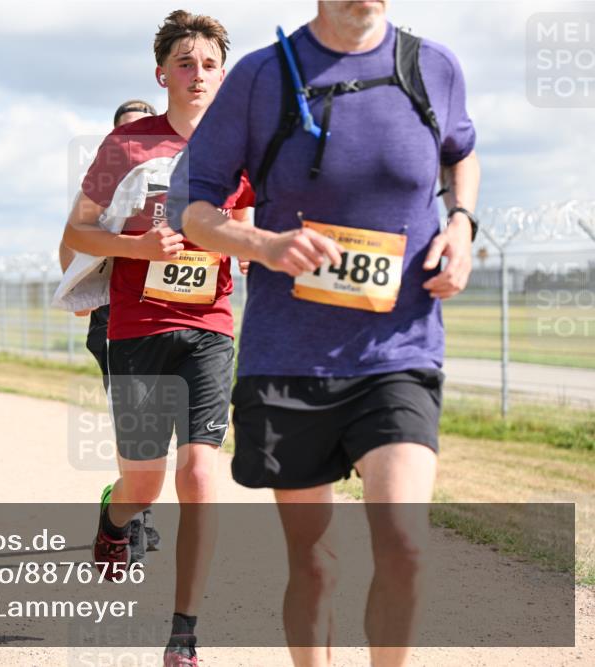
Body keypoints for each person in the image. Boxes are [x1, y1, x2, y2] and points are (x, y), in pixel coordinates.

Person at [167, 2, 480, 665]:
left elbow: (462, 153)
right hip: (291, 354)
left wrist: (461, 226)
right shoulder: (259, 78)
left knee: (404, 543)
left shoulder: (433, 66)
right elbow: (194, 210)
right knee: (314, 561)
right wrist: (264, 242)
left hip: (400, 346)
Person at [61, 11, 254, 666]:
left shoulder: (240, 143)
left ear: (222, 75)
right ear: (161, 73)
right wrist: (135, 245)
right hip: (137, 328)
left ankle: (185, 632)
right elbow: (77, 236)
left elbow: (248, 213)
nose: (197, 74)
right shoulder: (127, 146)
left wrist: (249, 245)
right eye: (184, 63)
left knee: (200, 472)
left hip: (209, 325)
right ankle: (114, 522)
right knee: (142, 483)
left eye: (208, 65)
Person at [58, 98, 163, 565]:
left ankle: (134, 499)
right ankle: (133, 517)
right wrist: (82, 298)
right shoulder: (102, 184)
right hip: (111, 312)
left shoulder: (169, 176)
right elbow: (71, 242)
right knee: (135, 420)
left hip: (165, 312)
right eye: (128, 132)